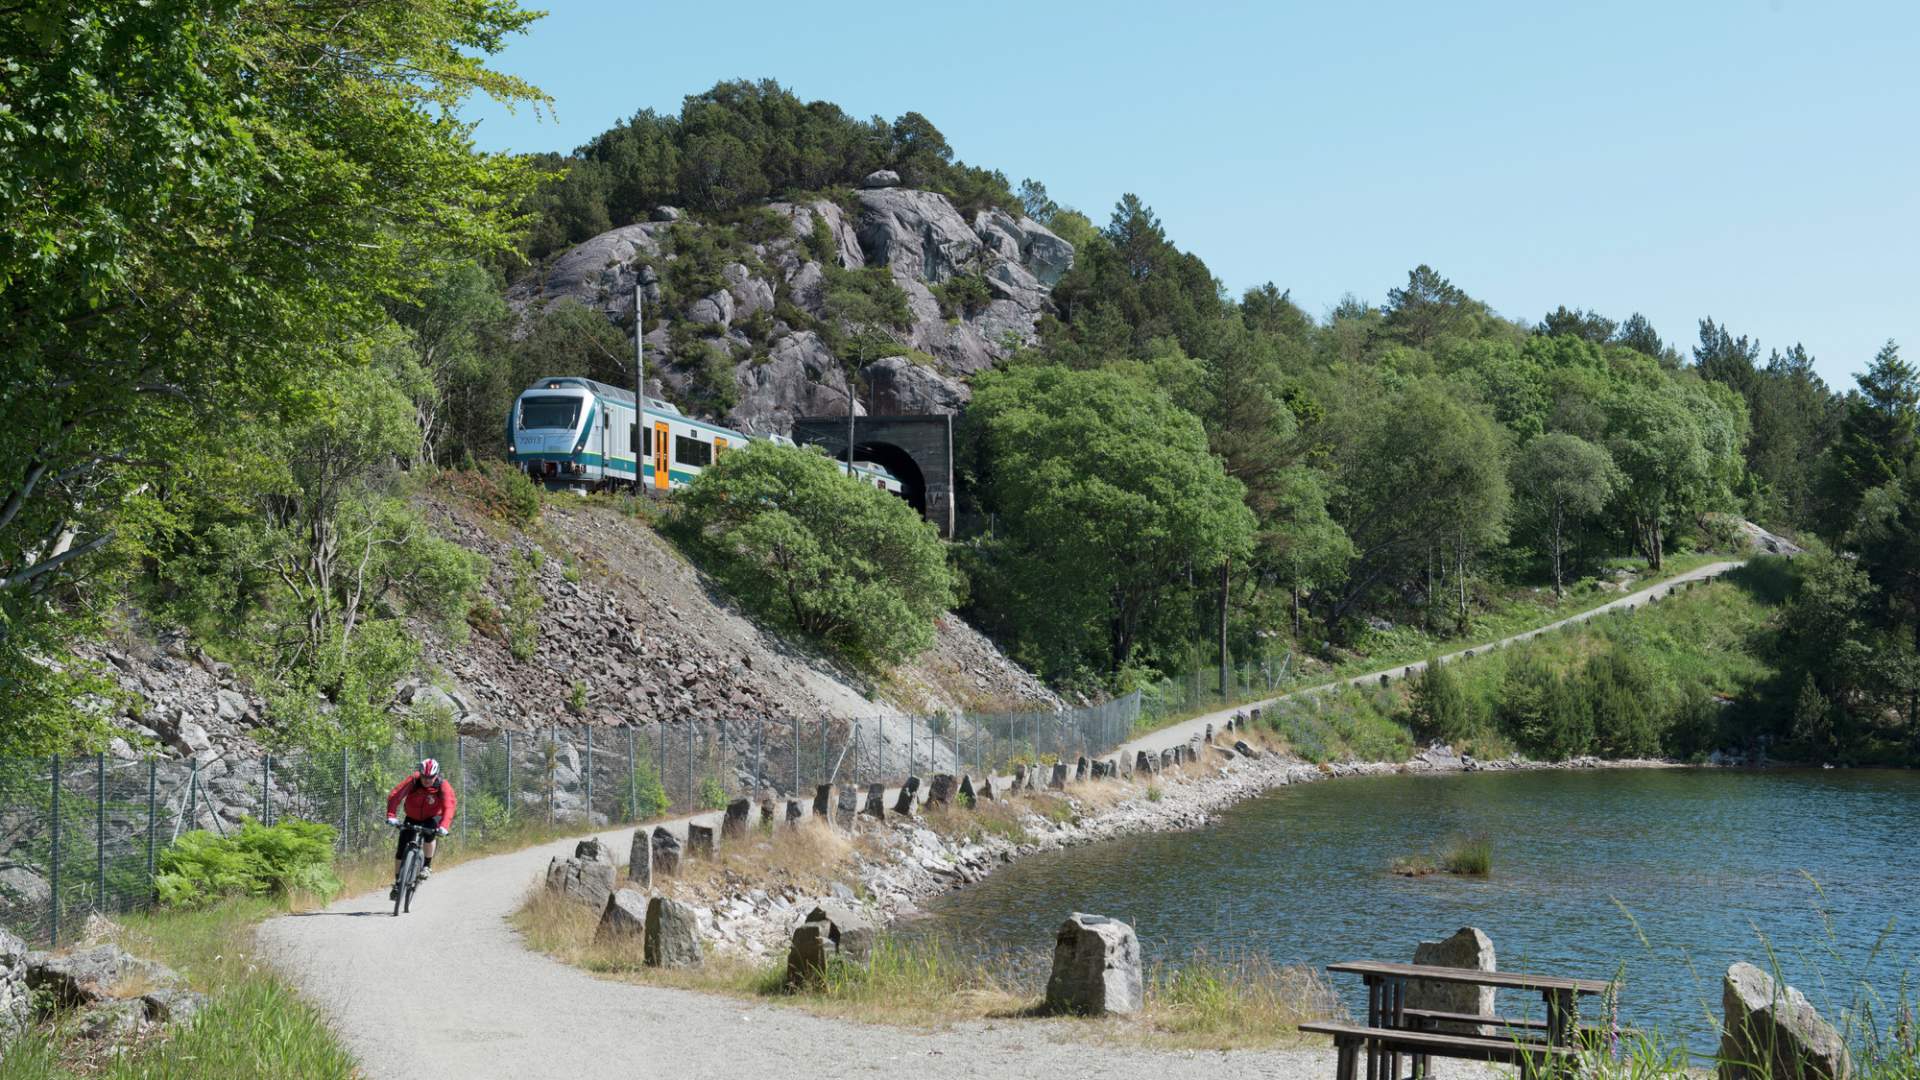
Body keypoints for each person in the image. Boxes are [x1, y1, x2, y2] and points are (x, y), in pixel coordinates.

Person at [386, 758, 457, 900]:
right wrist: (391, 815)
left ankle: (427, 865)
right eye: (424, 777)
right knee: (401, 850)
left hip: (432, 817)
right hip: (412, 817)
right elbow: (396, 795)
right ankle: (398, 883)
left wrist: (443, 826)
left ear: (436, 775)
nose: (426, 780)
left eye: (430, 777)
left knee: (430, 834)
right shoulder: (413, 780)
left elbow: (449, 806)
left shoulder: (442, 785)